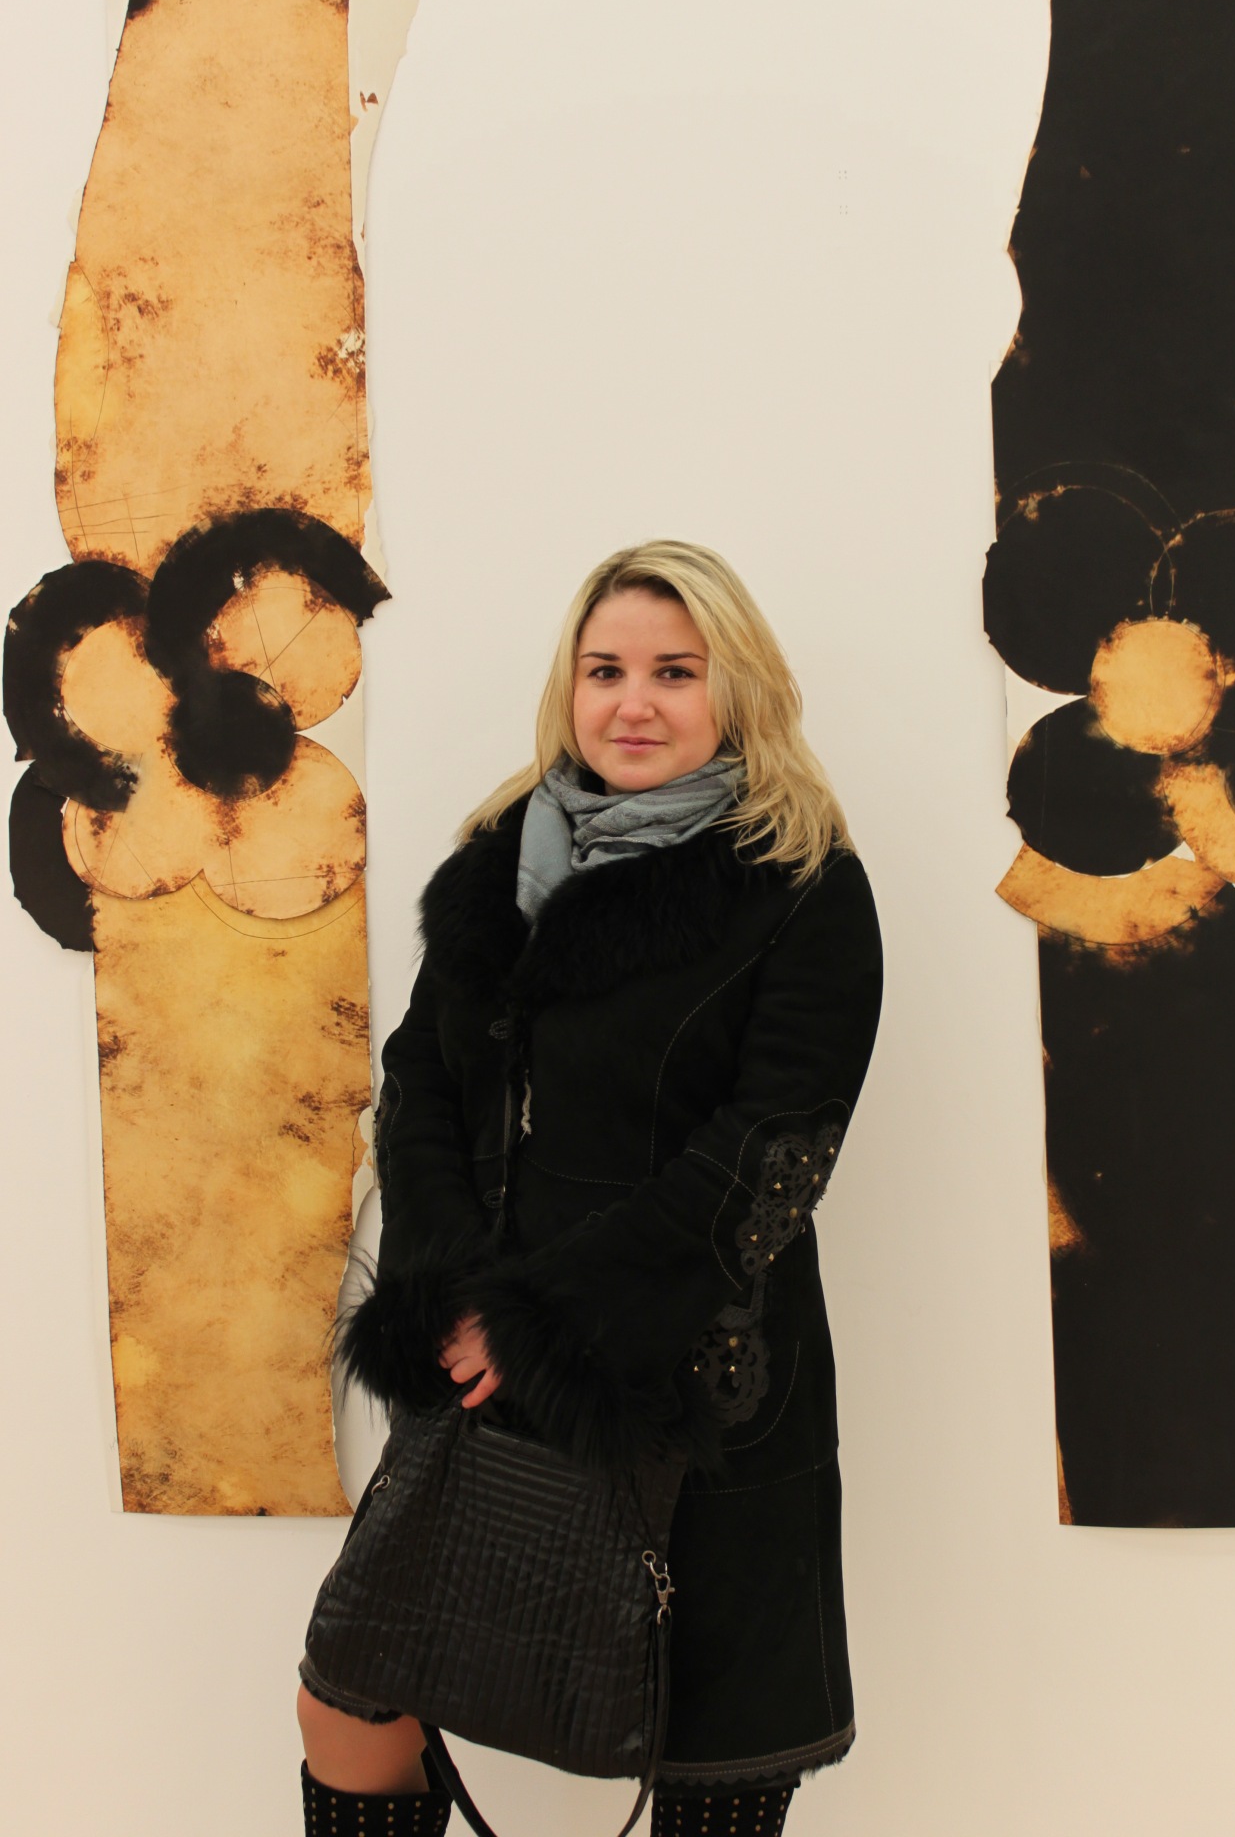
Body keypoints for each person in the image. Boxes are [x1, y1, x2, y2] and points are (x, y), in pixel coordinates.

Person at [296, 539, 884, 1837]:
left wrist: (545, 1325)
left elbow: (770, 1153)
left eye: (676, 671)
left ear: (737, 687)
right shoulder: (503, 857)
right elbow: (422, 1082)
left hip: (701, 1378)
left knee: (714, 1760)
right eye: (605, 669)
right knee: (353, 1703)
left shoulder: (804, 884)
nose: (634, 703)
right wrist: (460, 1298)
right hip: (475, 1362)